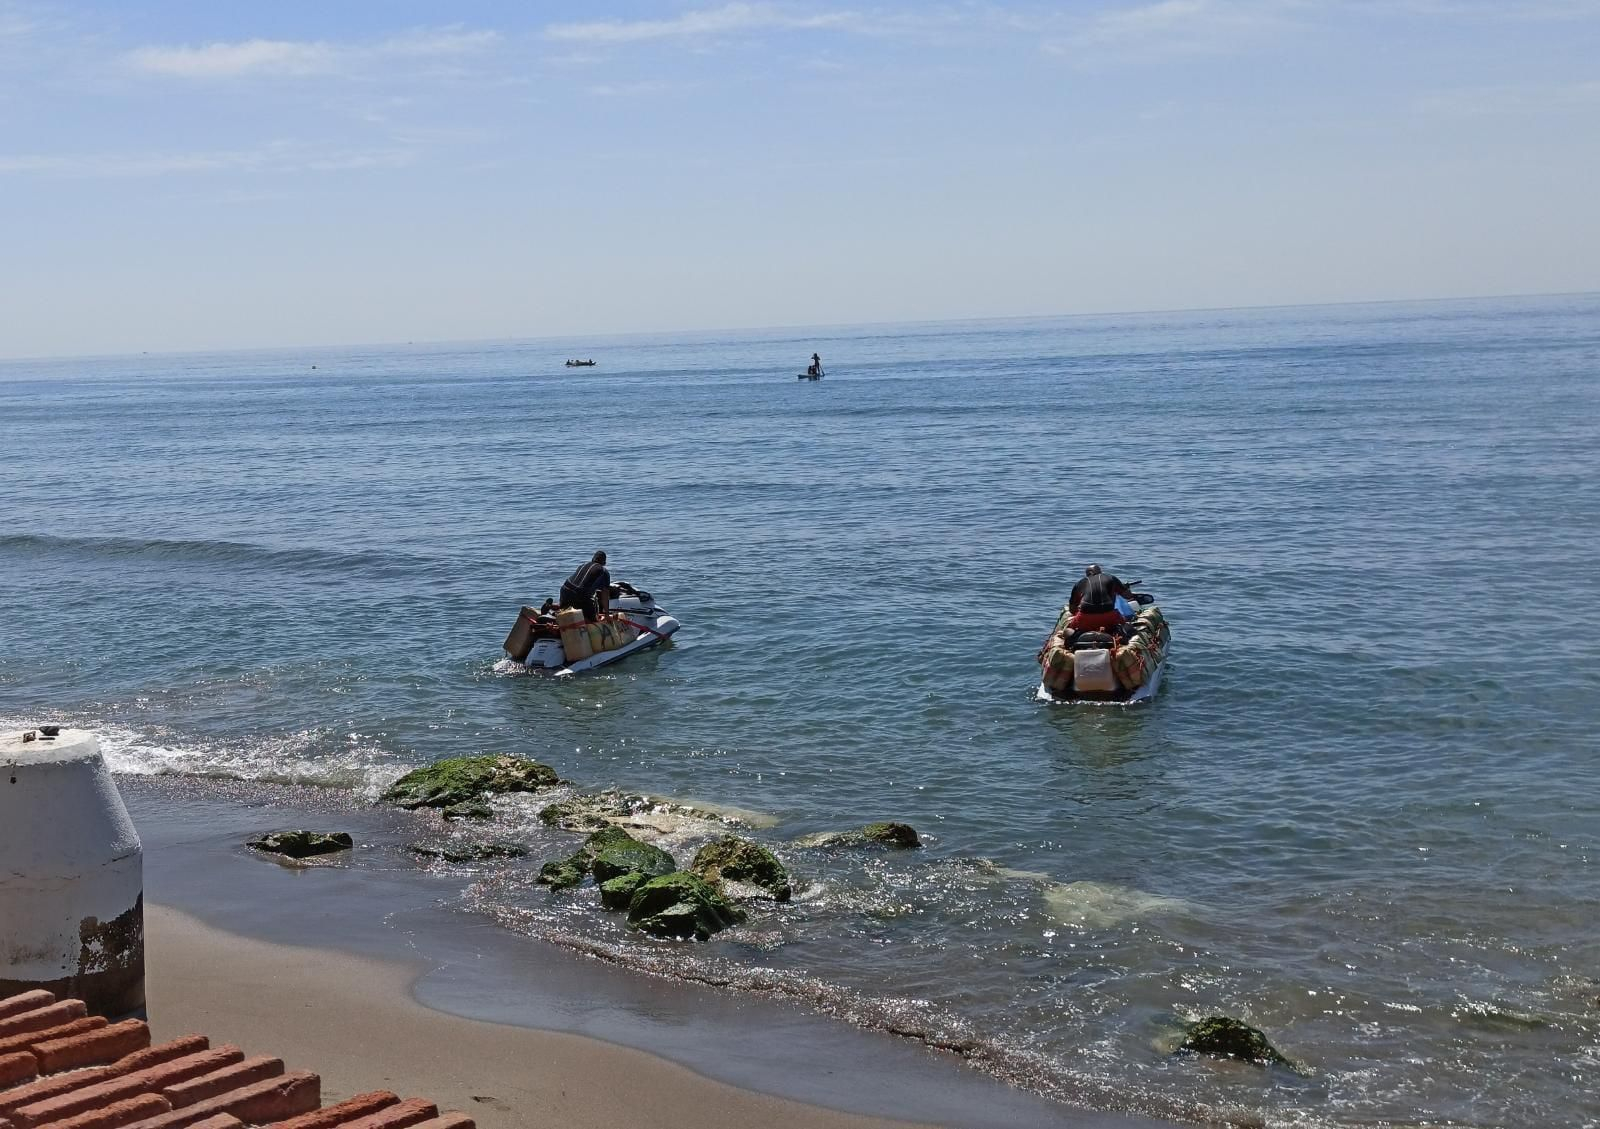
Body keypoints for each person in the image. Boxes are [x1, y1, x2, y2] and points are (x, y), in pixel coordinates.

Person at [1068, 564, 1135, 632]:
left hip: (1085, 618)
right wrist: (1123, 588)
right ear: (1100, 572)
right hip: (1109, 617)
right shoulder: (1110, 577)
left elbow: (1072, 609)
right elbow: (1128, 596)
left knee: (1070, 628)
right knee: (1127, 626)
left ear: (1087, 574)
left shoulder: (1079, 583)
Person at [559, 550, 611, 622]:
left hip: (565, 589)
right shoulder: (604, 572)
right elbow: (605, 595)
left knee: (564, 611)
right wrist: (607, 614)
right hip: (580, 594)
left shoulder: (583, 565)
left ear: (592, 559)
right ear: (604, 563)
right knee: (591, 620)